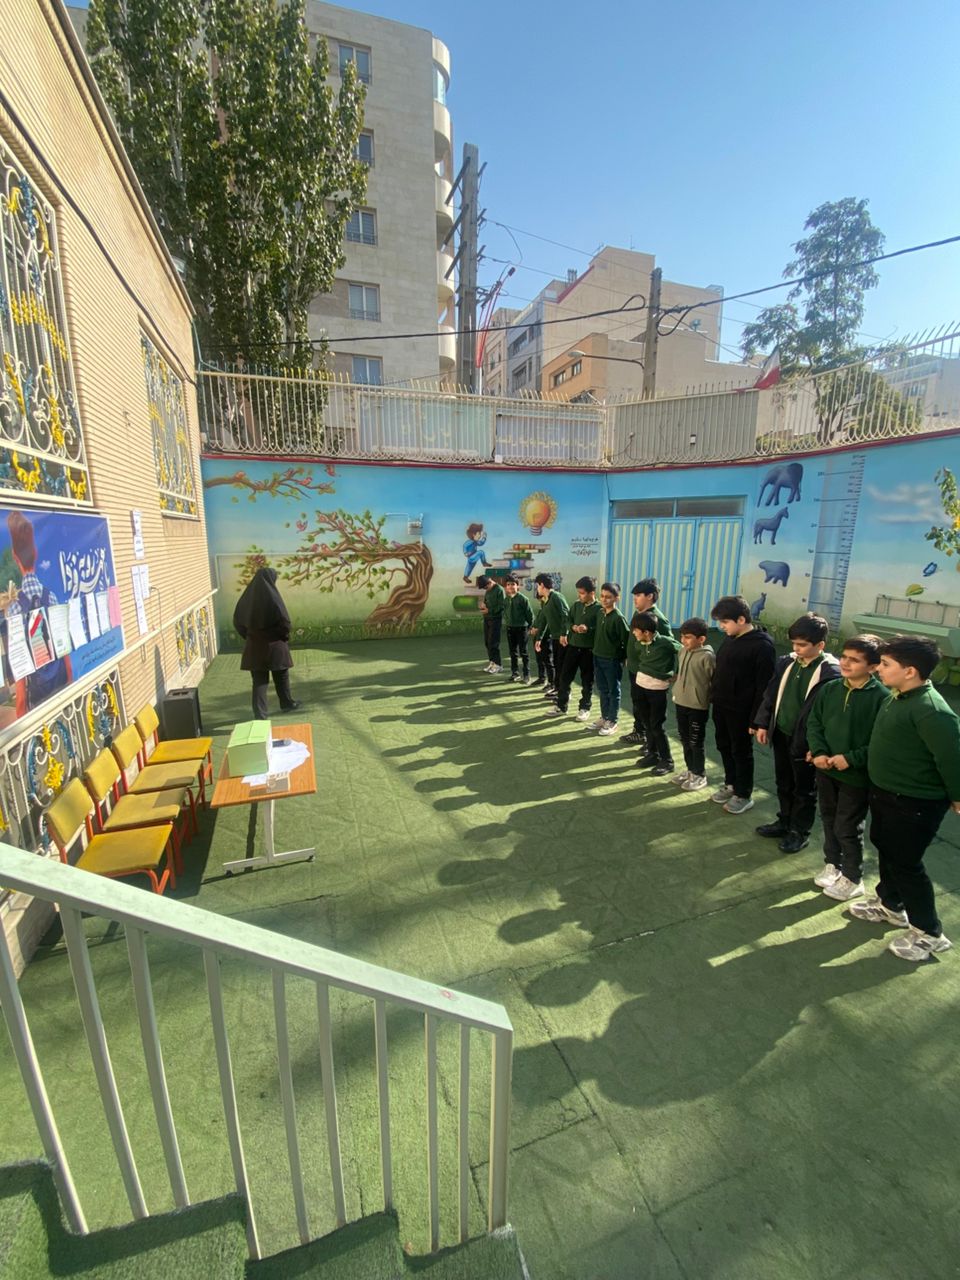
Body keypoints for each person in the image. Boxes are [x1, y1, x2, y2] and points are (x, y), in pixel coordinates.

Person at [849, 635, 960, 962]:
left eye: (885, 664)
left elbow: (952, 758)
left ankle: (929, 932)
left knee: (906, 863)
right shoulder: (897, 697)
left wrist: (957, 796)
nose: (878, 669)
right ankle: (891, 905)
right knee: (886, 847)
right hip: (886, 792)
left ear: (910, 671)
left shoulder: (931, 711)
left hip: (915, 802)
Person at [806, 634, 889, 901]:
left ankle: (853, 878)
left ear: (873, 666)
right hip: (825, 769)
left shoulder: (882, 698)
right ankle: (833, 864)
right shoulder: (830, 688)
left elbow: (880, 741)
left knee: (848, 826)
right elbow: (814, 723)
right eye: (844, 657)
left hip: (856, 776)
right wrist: (819, 752)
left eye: (855, 660)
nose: (845, 663)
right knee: (828, 818)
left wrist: (850, 759)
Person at [753, 614, 840, 853]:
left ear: (820, 645)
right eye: (793, 643)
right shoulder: (787, 662)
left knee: (804, 789)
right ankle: (784, 821)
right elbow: (771, 694)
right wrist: (763, 723)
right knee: (783, 781)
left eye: (802, 645)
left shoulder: (830, 672)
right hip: (782, 732)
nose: (796, 649)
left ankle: (799, 832)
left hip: (806, 741)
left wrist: (818, 746)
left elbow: (829, 715)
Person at [709, 595, 776, 815]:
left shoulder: (762, 646)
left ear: (741, 619)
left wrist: (757, 719)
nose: (721, 626)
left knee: (741, 751)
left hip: (742, 711)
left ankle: (744, 794)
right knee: (724, 745)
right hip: (722, 705)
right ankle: (731, 784)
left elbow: (764, 686)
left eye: (725, 622)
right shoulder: (730, 638)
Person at [233, 567, 300, 720]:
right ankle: (287, 703)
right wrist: (283, 636)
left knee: (259, 681)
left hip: (255, 647)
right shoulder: (274, 598)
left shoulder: (246, 599)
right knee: (281, 676)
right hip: (275, 645)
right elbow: (285, 622)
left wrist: (249, 637)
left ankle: (260, 715)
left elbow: (237, 621)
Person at [632, 612, 681, 775]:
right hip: (640, 685)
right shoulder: (639, 643)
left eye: (636, 630)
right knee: (647, 723)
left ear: (646, 632)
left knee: (656, 726)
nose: (633, 633)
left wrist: (677, 672)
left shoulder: (665, 642)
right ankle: (653, 754)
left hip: (657, 690)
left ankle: (667, 760)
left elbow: (683, 652)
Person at [670, 617, 715, 792]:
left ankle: (699, 774)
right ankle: (690, 770)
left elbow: (713, 680)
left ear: (701, 639)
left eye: (688, 637)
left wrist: (705, 697)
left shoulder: (708, 657)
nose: (683, 640)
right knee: (684, 738)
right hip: (681, 702)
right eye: (682, 636)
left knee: (696, 742)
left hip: (697, 706)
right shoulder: (682, 651)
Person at [548, 576, 600, 719]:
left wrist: (588, 628)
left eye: (582, 593)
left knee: (587, 681)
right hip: (573, 647)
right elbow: (568, 620)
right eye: (579, 592)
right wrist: (572, 627)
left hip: (588, 650)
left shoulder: (599, 609)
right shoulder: (576, 605)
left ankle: (585, 708)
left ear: (592, 593)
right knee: (564, 677)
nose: (579, 595)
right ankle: (561, 706)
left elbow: (600, 628)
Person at [590, 582, 629, 736]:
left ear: (616, 598)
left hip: (612, 660)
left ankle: (612, 720)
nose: (604, 599)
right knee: (602, 689)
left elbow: (626, 640)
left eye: (608, 597)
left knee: (613, 691)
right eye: (602, 596)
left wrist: (624, 657)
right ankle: (604, 716)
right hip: (597, 657)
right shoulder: (600, 613)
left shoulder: (618, 618)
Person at [530, 573, 568, 700]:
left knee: (562, 667)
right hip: (555, 638)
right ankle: (557, 689)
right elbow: (544, 621)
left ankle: (565, 692)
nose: (537, 589)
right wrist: (539, 638)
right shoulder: (546, 601)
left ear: (541, 585)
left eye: (537, 586)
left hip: (563, 639)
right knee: (557, 665)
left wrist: (564, 634)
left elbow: (566, 615)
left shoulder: (556, 596)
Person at [503, 576, 534, 683]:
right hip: (510, 629)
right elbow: (505, 613)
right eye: (508, 585)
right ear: (506, 587)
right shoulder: (506, 600)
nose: (510, 587)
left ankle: (526, 675)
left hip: (522, 629)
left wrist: (531, 627)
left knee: (524, 652)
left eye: (513, 584)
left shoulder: (523, 599)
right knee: (513, 652)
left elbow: (530, 615)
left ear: (518, 586)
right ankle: (515, 673)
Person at [477, 574, 505, 674]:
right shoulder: (488, 591)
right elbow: (486, 602)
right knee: (487, 642)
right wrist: (483, 605)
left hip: (495, 619)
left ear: (489, 582)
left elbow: (502, 606)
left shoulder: (499, 590)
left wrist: (489, 610)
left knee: (493, 643)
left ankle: (498, 665)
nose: (485, 589)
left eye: (485, 587)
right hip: (487, 619)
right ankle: (492, 662)